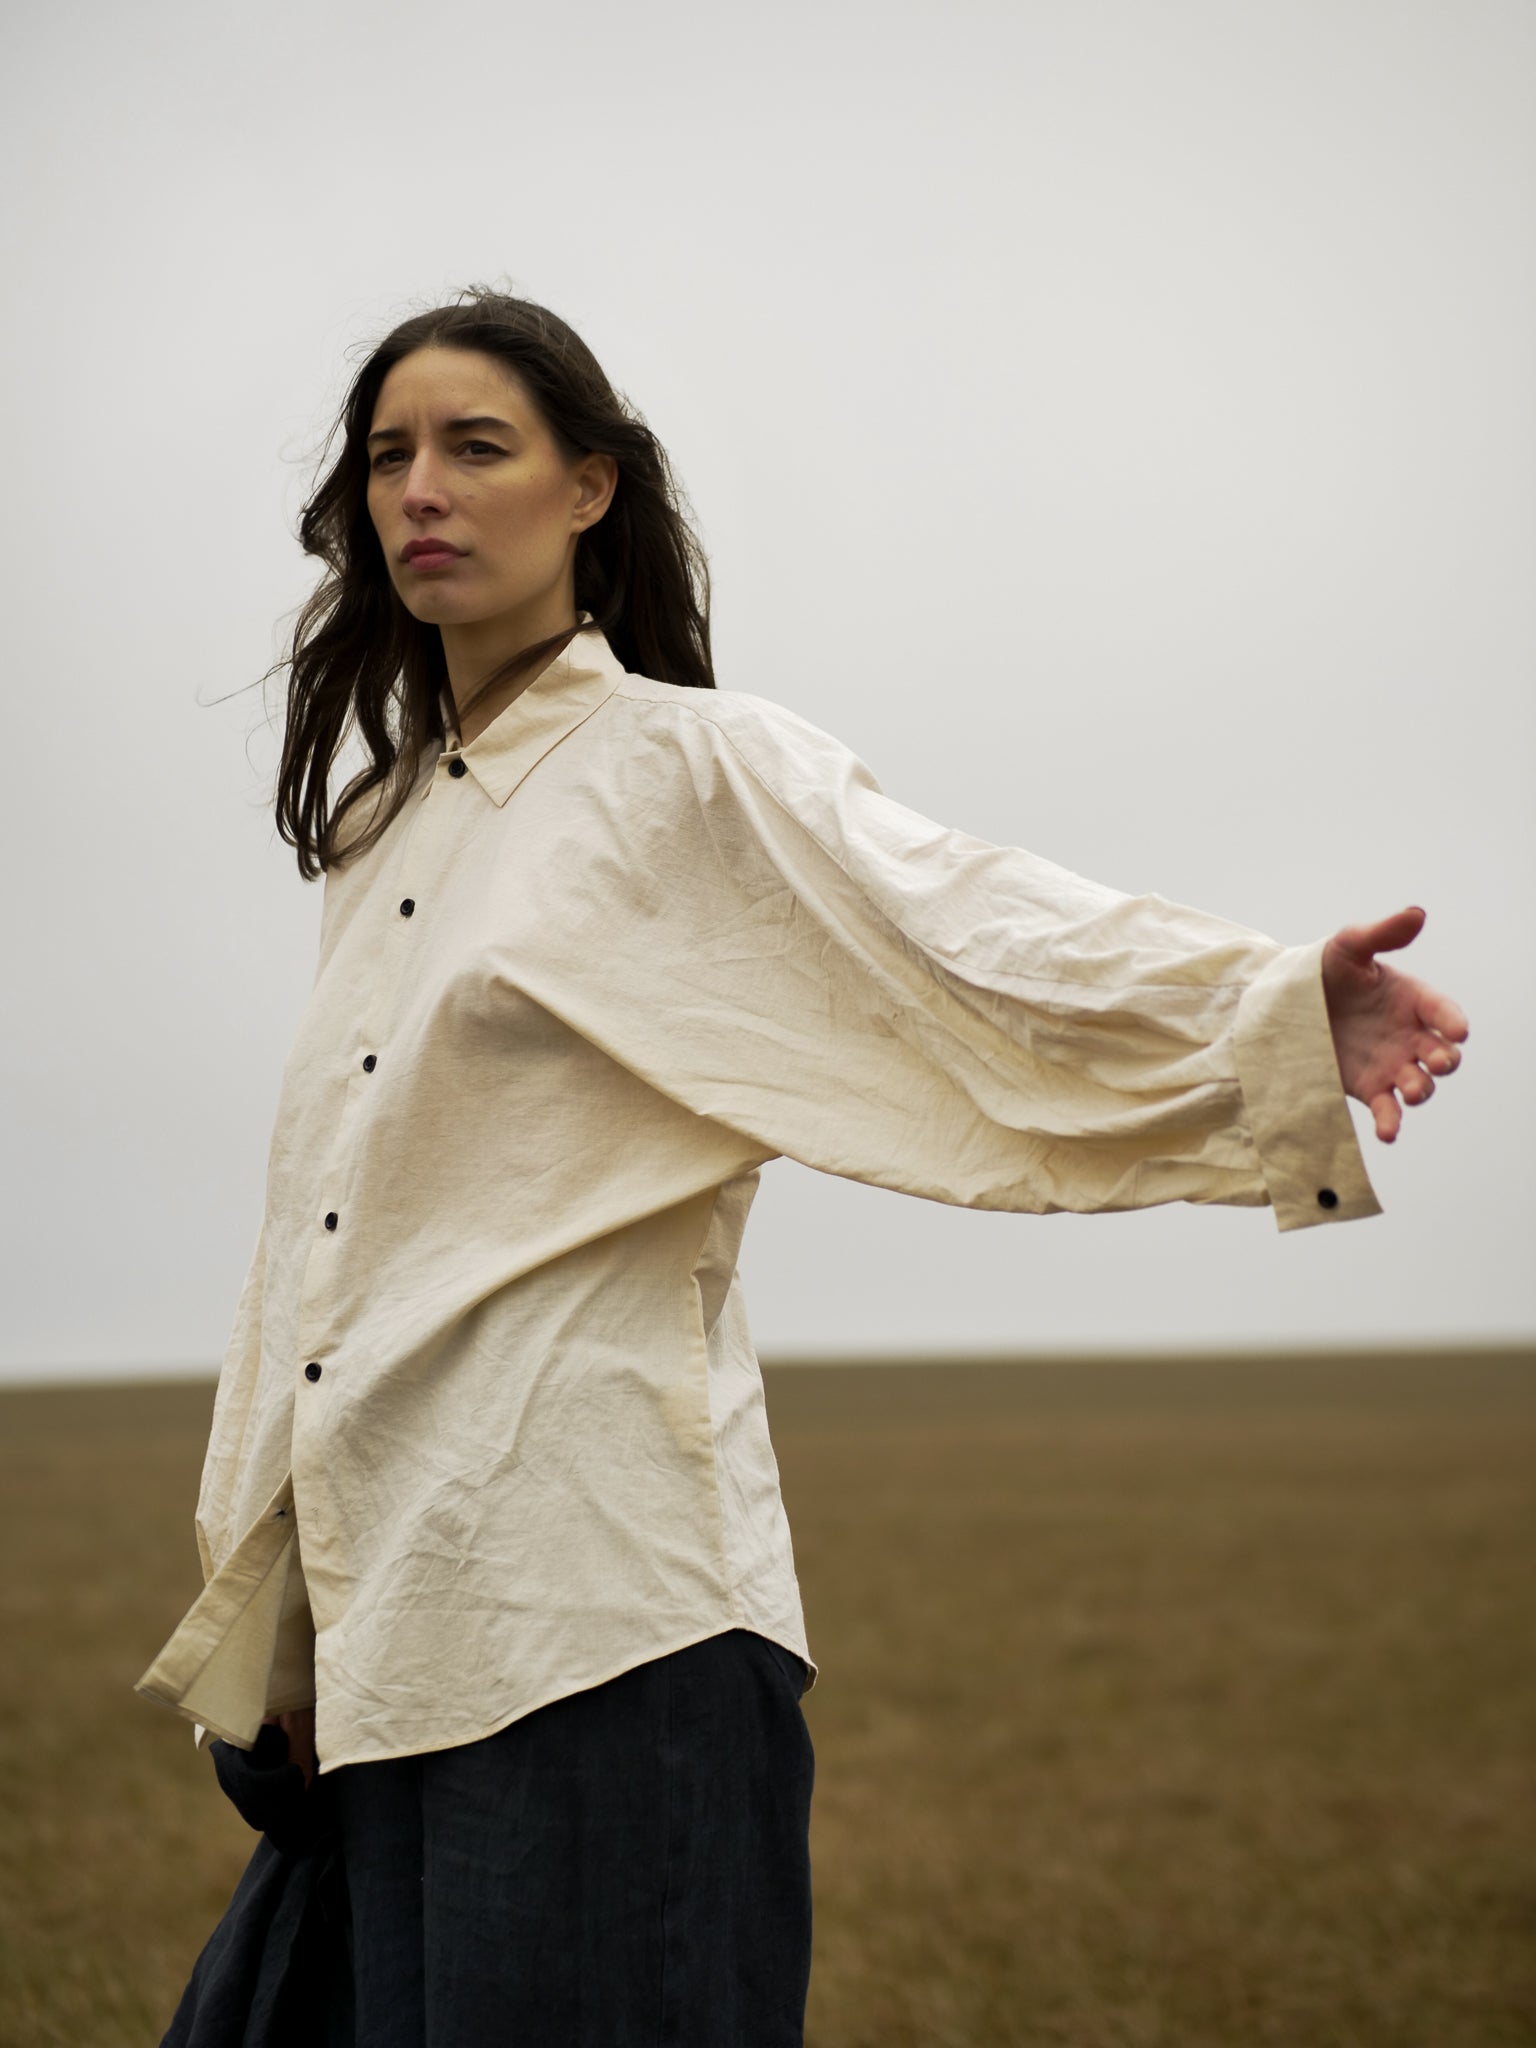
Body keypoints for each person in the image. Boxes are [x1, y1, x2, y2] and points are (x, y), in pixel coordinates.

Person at [138, 285, 1468, 2047]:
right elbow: (327, 1240)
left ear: (592, 490)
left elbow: (964, 929)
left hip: (594, 1626)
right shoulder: (383, 827)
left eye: (477, 447)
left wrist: (1271, 1010)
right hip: (392, 1637)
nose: (421, 493)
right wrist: (286, 1607)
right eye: (389, 457)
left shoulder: (684, 767)